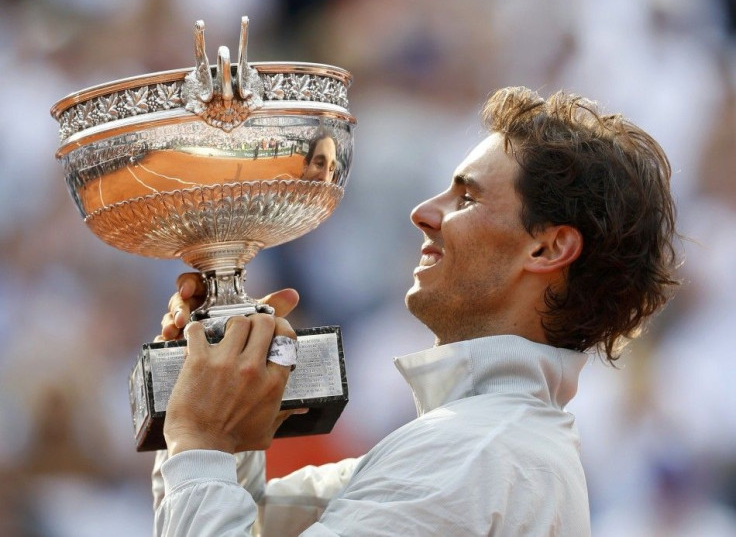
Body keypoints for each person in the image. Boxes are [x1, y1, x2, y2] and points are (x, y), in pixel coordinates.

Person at [152, 86, 679, 536]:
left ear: (547, 249)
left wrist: (203, 441)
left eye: (466, 198)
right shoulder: (486, 444)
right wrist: (212, 409)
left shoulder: (473, 456)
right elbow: (248, 521)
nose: (424, 213)